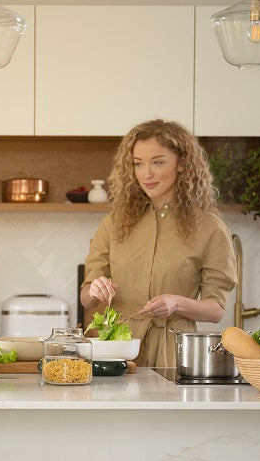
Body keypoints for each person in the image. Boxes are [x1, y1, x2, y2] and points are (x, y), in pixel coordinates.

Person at [80, 119, 237, 367]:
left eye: (158, 162)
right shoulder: (114, 223)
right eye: (138, 164)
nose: (147, 174)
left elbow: (216, 310)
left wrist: (177, 303)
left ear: (182, 164)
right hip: (117, 349)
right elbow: (86, 298)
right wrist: (95, 289)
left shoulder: (210, 228)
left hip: (173, 353)